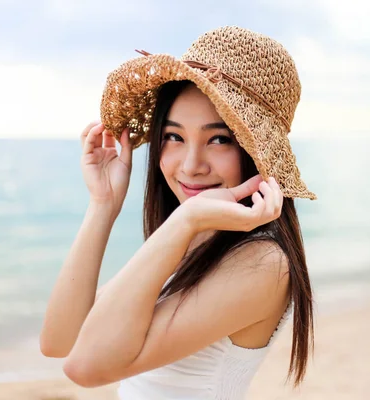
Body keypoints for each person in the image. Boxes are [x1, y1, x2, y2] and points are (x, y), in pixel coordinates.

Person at [40, 26, 317, 400]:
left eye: (219, 139)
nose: (190, 165)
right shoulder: (194, 239)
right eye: (174, 136)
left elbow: (85, 366)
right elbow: (61, 340)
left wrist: (183, 222)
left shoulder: (262, 262)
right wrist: (103, 206)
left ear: (257, 154)